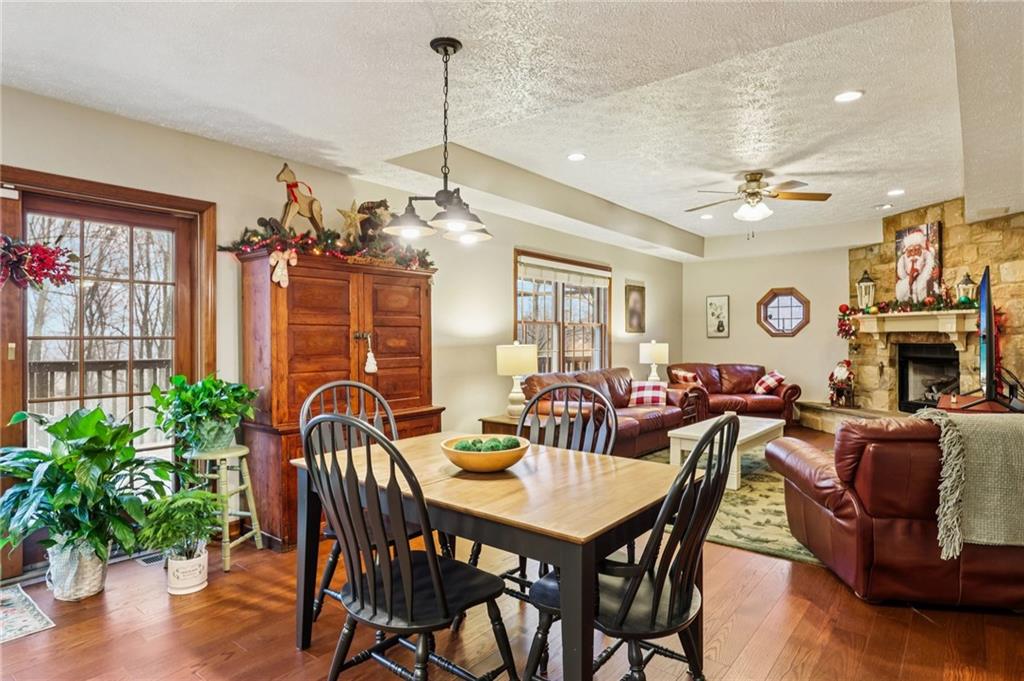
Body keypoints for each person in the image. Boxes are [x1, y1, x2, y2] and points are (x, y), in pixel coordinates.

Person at [895, 229, 936, 303]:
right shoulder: (901, 281)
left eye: (916, 250)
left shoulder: (930, 272)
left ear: (922, 251)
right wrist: (909, 280)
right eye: (910, 251)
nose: (913, 254)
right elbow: (899, 298)